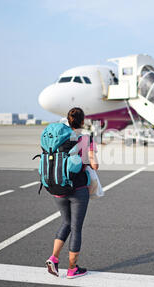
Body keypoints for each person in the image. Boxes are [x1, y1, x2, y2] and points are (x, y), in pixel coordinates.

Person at [46, 107, 99, 278]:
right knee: (76, 228)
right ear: (82, 122)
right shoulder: (85, 138)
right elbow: (95, 165)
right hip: (77, 189)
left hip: (57, 188)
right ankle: (72, 269)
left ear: (68, 121)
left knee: (66, 222)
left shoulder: (60, 137)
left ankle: (53, 259)